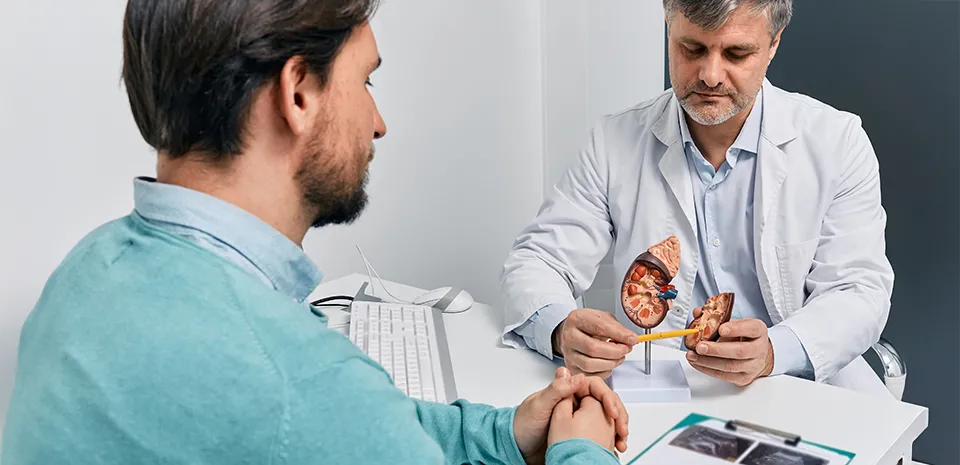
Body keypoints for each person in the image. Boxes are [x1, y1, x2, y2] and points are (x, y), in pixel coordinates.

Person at [0, 1, 630, 463]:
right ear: (299, 92)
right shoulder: (294, 379)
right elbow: (319, 414)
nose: (378, 123)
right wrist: (581, 451)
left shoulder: (83, 275)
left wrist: (502, 433)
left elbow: (351, 427)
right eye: (366, 81)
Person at [500, 0, 894, 389]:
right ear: (668, 29)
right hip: (660, 390)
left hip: (800, 386)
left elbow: (859, 291)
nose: (710, 75)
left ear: (774, 44)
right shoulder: (613, 141)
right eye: (692, 49)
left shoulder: (837, 143)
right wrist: (560, 329)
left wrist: (774, 351)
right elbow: (538, 260)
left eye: (737, 53)